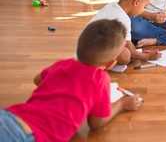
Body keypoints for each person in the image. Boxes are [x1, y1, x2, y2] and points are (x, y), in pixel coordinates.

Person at [0, 19, 142, 141]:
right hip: (24, 135)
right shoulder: (100, 79)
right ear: (111, 63)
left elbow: (38, 79)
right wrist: (121, 104)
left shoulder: (62, 64)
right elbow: (96, 122)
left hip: (11, 116)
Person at [83, 0, 162, 72]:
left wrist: (137, 52)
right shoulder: (123, 18)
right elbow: (131, 53)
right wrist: (148, 56)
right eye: (144, 7)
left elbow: (128, 43)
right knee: (126, 56)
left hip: (83, 48)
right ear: (136, 2)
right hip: (91, 57)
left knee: (124, 48)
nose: (143, 10)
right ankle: (103, 65)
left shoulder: (111, 6)